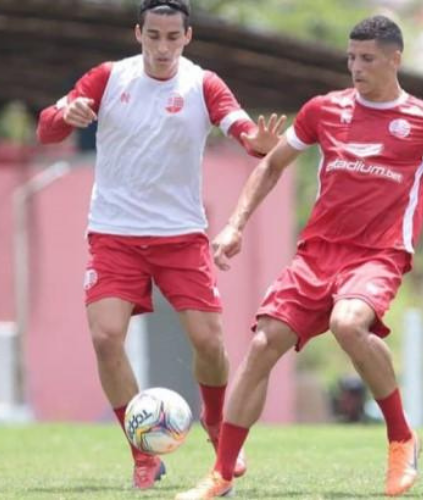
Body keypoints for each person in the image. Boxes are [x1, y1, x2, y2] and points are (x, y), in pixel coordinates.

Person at [176, 14, 423, 500]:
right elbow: (273, 165)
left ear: (395, 59)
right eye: (351, 58)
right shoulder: (323, 110)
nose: (356, 67)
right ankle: (221, 474)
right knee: (264, 344)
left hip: (379, 254)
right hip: (317, 254)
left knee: (349, 323)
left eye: (367, 58)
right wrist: (235, 225)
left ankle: (400, 438)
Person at [36, 0, 285, 491]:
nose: (163, 47)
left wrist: (258, 141)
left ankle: (216, 425)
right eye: (154, 36)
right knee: (106, 337)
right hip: (114, 233)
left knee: (209, 342)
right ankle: (144, 454)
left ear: (188, 37)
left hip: (180, 236)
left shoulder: (202, 84)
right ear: (138, 33)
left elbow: (241, 129)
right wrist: (68, 111)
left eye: (173, 37)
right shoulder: (109, 78)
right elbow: (47, 130)